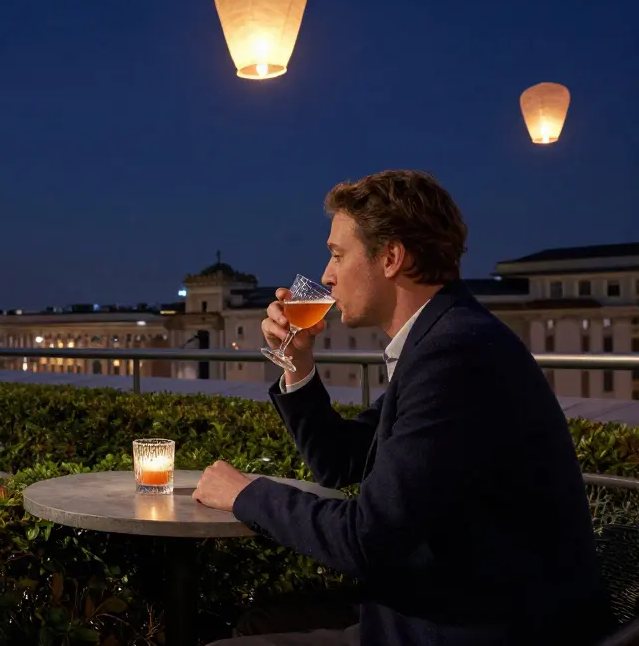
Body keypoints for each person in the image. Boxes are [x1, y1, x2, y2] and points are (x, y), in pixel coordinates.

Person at [194, 170, 612, 645]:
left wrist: (246, 494)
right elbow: (339, 461)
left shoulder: (455, 354)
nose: (326, 274)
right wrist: (296, 362)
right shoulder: (447, 338)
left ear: (390, 257)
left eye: (337, 254)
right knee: (258, 620)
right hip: (457, 602)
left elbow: (366, 539)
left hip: (480, 626)